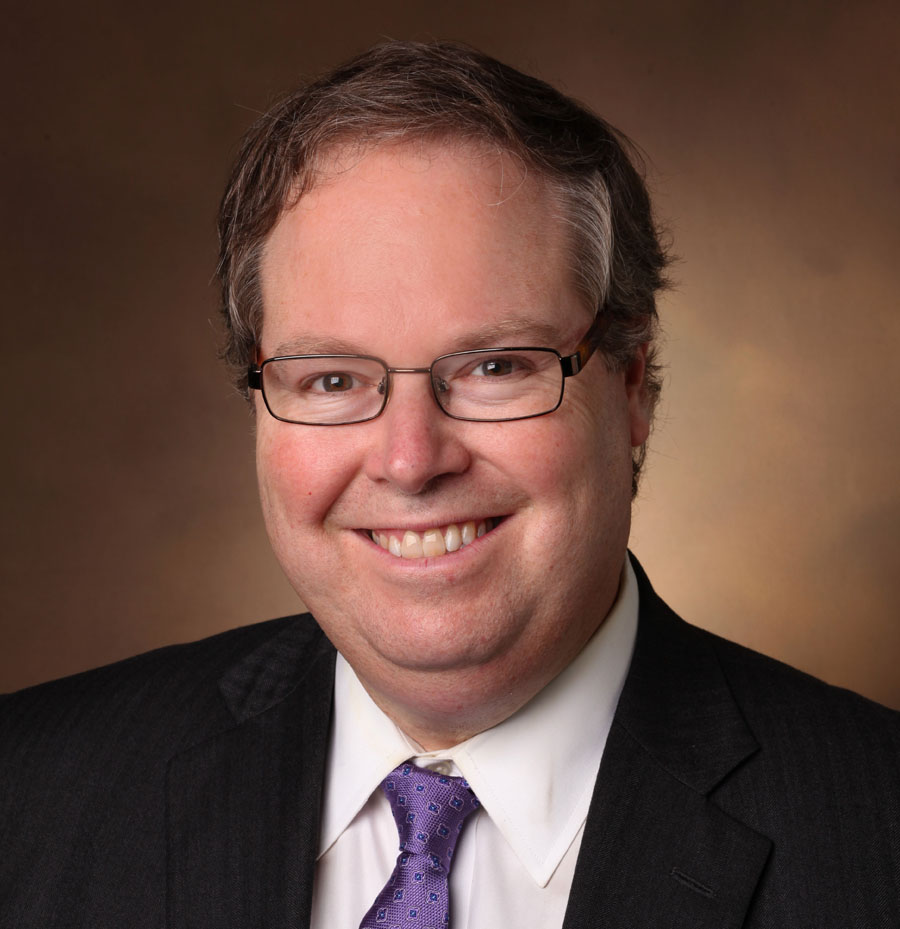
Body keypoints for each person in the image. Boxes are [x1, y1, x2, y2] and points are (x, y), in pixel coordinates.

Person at [1, 40, 897, 929]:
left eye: (495, 366)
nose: (410, 459)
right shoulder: (29, 790)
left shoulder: (873, 834)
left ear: (631, 387)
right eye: (331, 378)